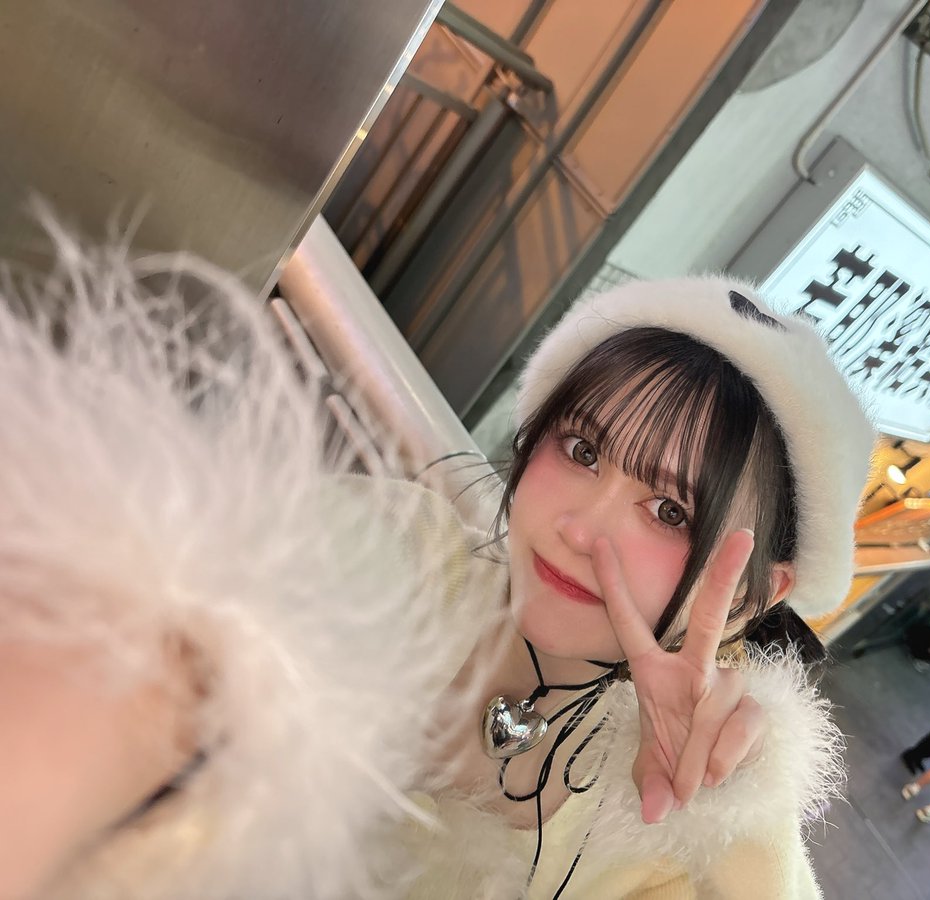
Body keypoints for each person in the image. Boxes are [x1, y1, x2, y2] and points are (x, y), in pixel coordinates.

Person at [0, 238, 875, 900]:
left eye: (670, 512)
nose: (581, 529)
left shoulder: (673, 824)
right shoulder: (408, 555)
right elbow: (185, 636)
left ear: (756, 596)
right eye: (581, 450)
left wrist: (731, 814)